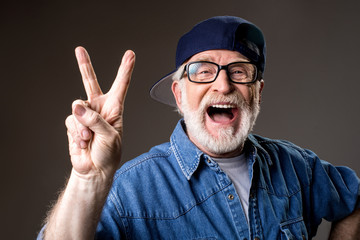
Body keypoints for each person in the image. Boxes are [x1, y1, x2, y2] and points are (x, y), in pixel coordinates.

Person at [38, 16, 360, 239]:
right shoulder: (132, 192)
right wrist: (87, 180)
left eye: (239, 71)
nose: (223, 85)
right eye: (203, 71)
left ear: (257, 93)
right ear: (179, 95)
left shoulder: (296, 168)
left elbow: (354, 199)